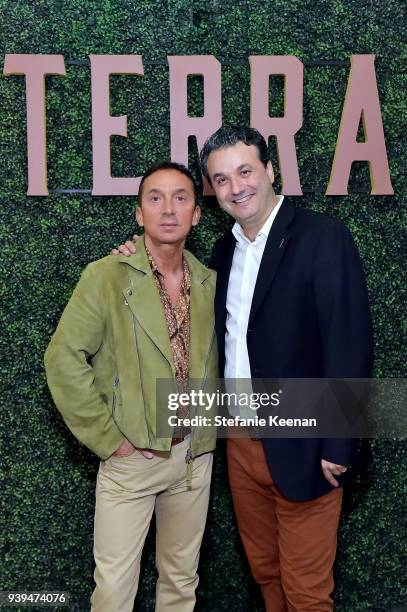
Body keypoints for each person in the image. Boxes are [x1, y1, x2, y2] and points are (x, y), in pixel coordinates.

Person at [115, 127, 373, 612]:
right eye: (221, 178)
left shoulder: (322, 237)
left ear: (270, 171)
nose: (236, 187)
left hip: (308, 440)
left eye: (245, 171)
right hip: (240, 445)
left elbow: (349, 340)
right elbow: (173, 288)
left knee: (306, 591)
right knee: (267, 575)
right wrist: (132, 256)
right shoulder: (222, 253)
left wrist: (340, 441)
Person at [44, 162, 218, 612]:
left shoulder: (208, 281)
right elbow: (62, 359)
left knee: (181, 583)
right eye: (154, 198)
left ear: (196, 214)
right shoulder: (106, 275)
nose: (167, 209)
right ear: (139, 214)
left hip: (193, 458)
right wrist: (111, 441)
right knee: (114, 591)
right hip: (133, 460)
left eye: (180, 198)